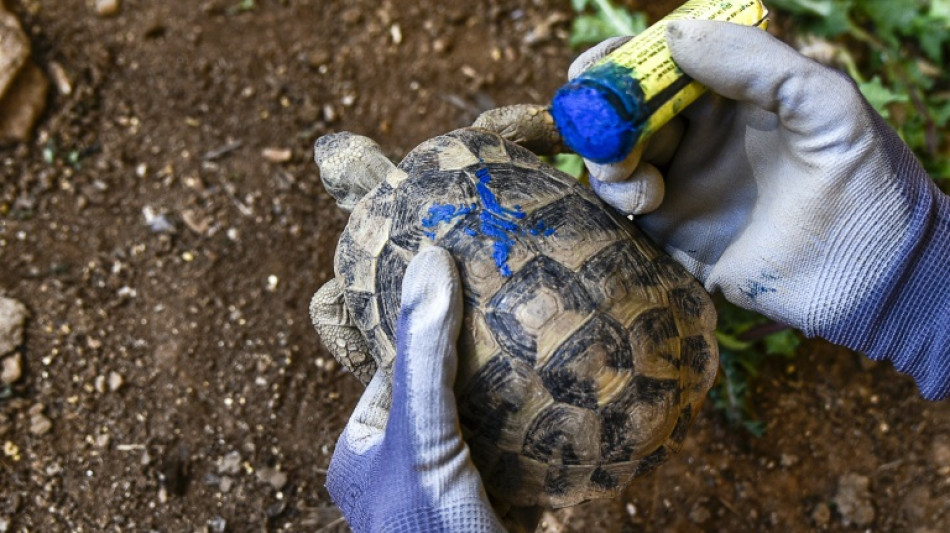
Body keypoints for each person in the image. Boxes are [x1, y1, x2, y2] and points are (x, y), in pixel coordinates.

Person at [323, 20, 950, 532]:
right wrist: (567, 133)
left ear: (343, 194)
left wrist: (919, 281)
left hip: (541, 438)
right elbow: (514, 130)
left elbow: (332, 311)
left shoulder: (355, 268)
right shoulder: (467, 145)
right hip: (645, 339)